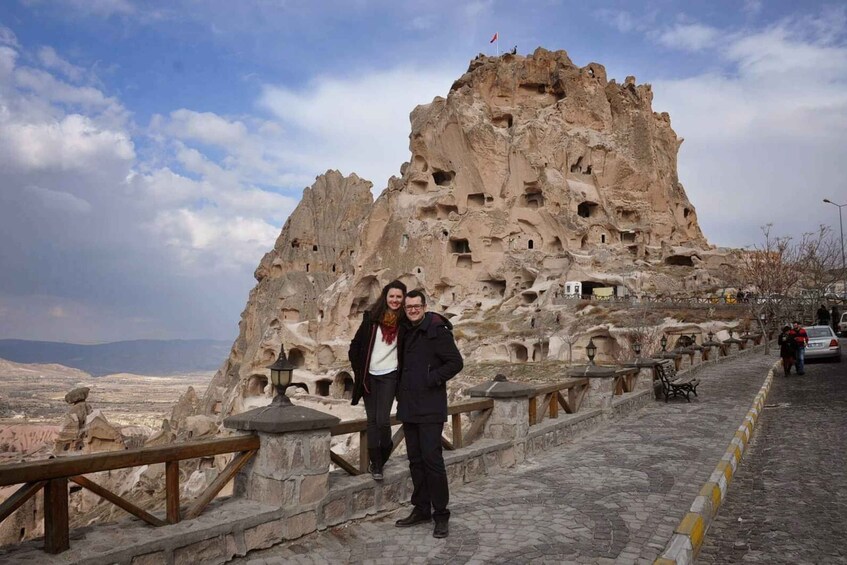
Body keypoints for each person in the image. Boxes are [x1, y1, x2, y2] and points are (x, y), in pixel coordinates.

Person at [394, 289, 463, 539]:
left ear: (424, 307)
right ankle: (421, 509)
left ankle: (441, 514)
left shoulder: (436, 330)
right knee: (415, 461)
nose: (412, 310)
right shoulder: (405, 330)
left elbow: (455, 363)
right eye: (408, 307)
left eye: (416, 306)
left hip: (430, 407)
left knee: (433, 461)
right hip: (409, 406)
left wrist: (431, 379)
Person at [349, 280, 407, 481]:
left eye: (399, 297)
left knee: (383, 420)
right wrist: (359, 370)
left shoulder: (405, 323)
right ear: (385, 297)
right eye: (392, 296)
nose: (395, 300)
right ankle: (376, 464)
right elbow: (355, 346)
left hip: (390, 375)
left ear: (403, 299)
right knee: (372, 421)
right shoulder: (372, 319)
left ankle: (386, 449)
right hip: (370, 376)